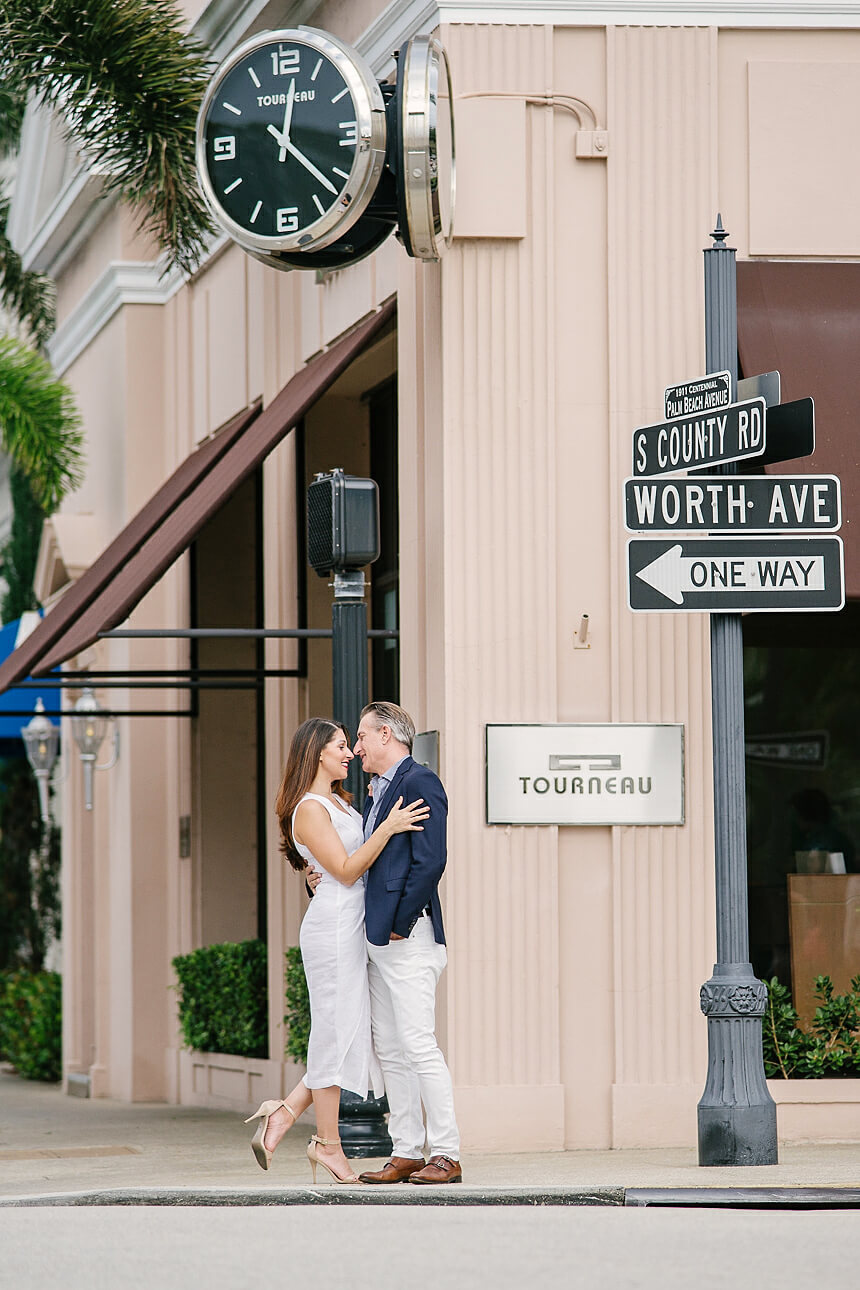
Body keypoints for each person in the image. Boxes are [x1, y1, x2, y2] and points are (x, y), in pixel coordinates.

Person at [244, 717, 429, 1184]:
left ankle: (285, 1113)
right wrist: (387, 828)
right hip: (332, 930)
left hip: (353, 926)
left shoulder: (341, 802)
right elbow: (346, 871)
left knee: (346, 1033)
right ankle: (328, 1145)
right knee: (332, 1033)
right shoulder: (308, 808)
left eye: (351, 744)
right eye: (342, 745)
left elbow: (344, 867)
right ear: (317, 753)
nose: (350, 753)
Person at [353, 701, 462, 1185]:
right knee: (391, 1049)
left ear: (385, 734)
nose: (355, 749)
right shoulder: (377, 791)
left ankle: (447, 1153)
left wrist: (399, 921)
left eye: (360, 737)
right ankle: (407, 1150)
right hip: (377, 940)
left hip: (409, 936)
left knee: (419, 1044)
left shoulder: (420, 781)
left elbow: (430, 860)